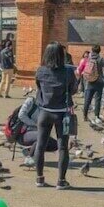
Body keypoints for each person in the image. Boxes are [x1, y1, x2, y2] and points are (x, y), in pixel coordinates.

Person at [33, 42, 77, 189]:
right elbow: (73, 90)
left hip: (44, 113)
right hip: (62, 114)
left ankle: (39, 179)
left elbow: (39, 88)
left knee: (40, 145)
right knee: (63, 147)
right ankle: (61, 181)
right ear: (61, 55)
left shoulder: (40, 71)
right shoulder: (68, 72)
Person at [76, 45, 104, 122]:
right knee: (98, 99)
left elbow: (79, 69)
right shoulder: (100, 59)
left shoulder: (87, 59)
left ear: (92, 50)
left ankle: (85, 116)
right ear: (99, 51)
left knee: (87, 99)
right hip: (99, 81)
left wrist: (82, 76)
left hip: (89, 81)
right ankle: (96, 116)